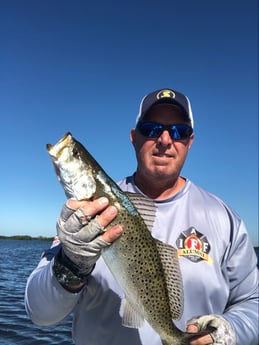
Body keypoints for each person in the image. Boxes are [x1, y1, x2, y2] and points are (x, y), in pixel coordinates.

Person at [25, 88, 259, 345]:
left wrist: (228, 332)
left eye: (178, 131)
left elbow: (252, 302)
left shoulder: (227, 220)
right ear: (134, 137)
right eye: (152, 129)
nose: (165, 140)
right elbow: (40, 314)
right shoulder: (79, 221)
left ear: (190, 141)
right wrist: (71, 263)